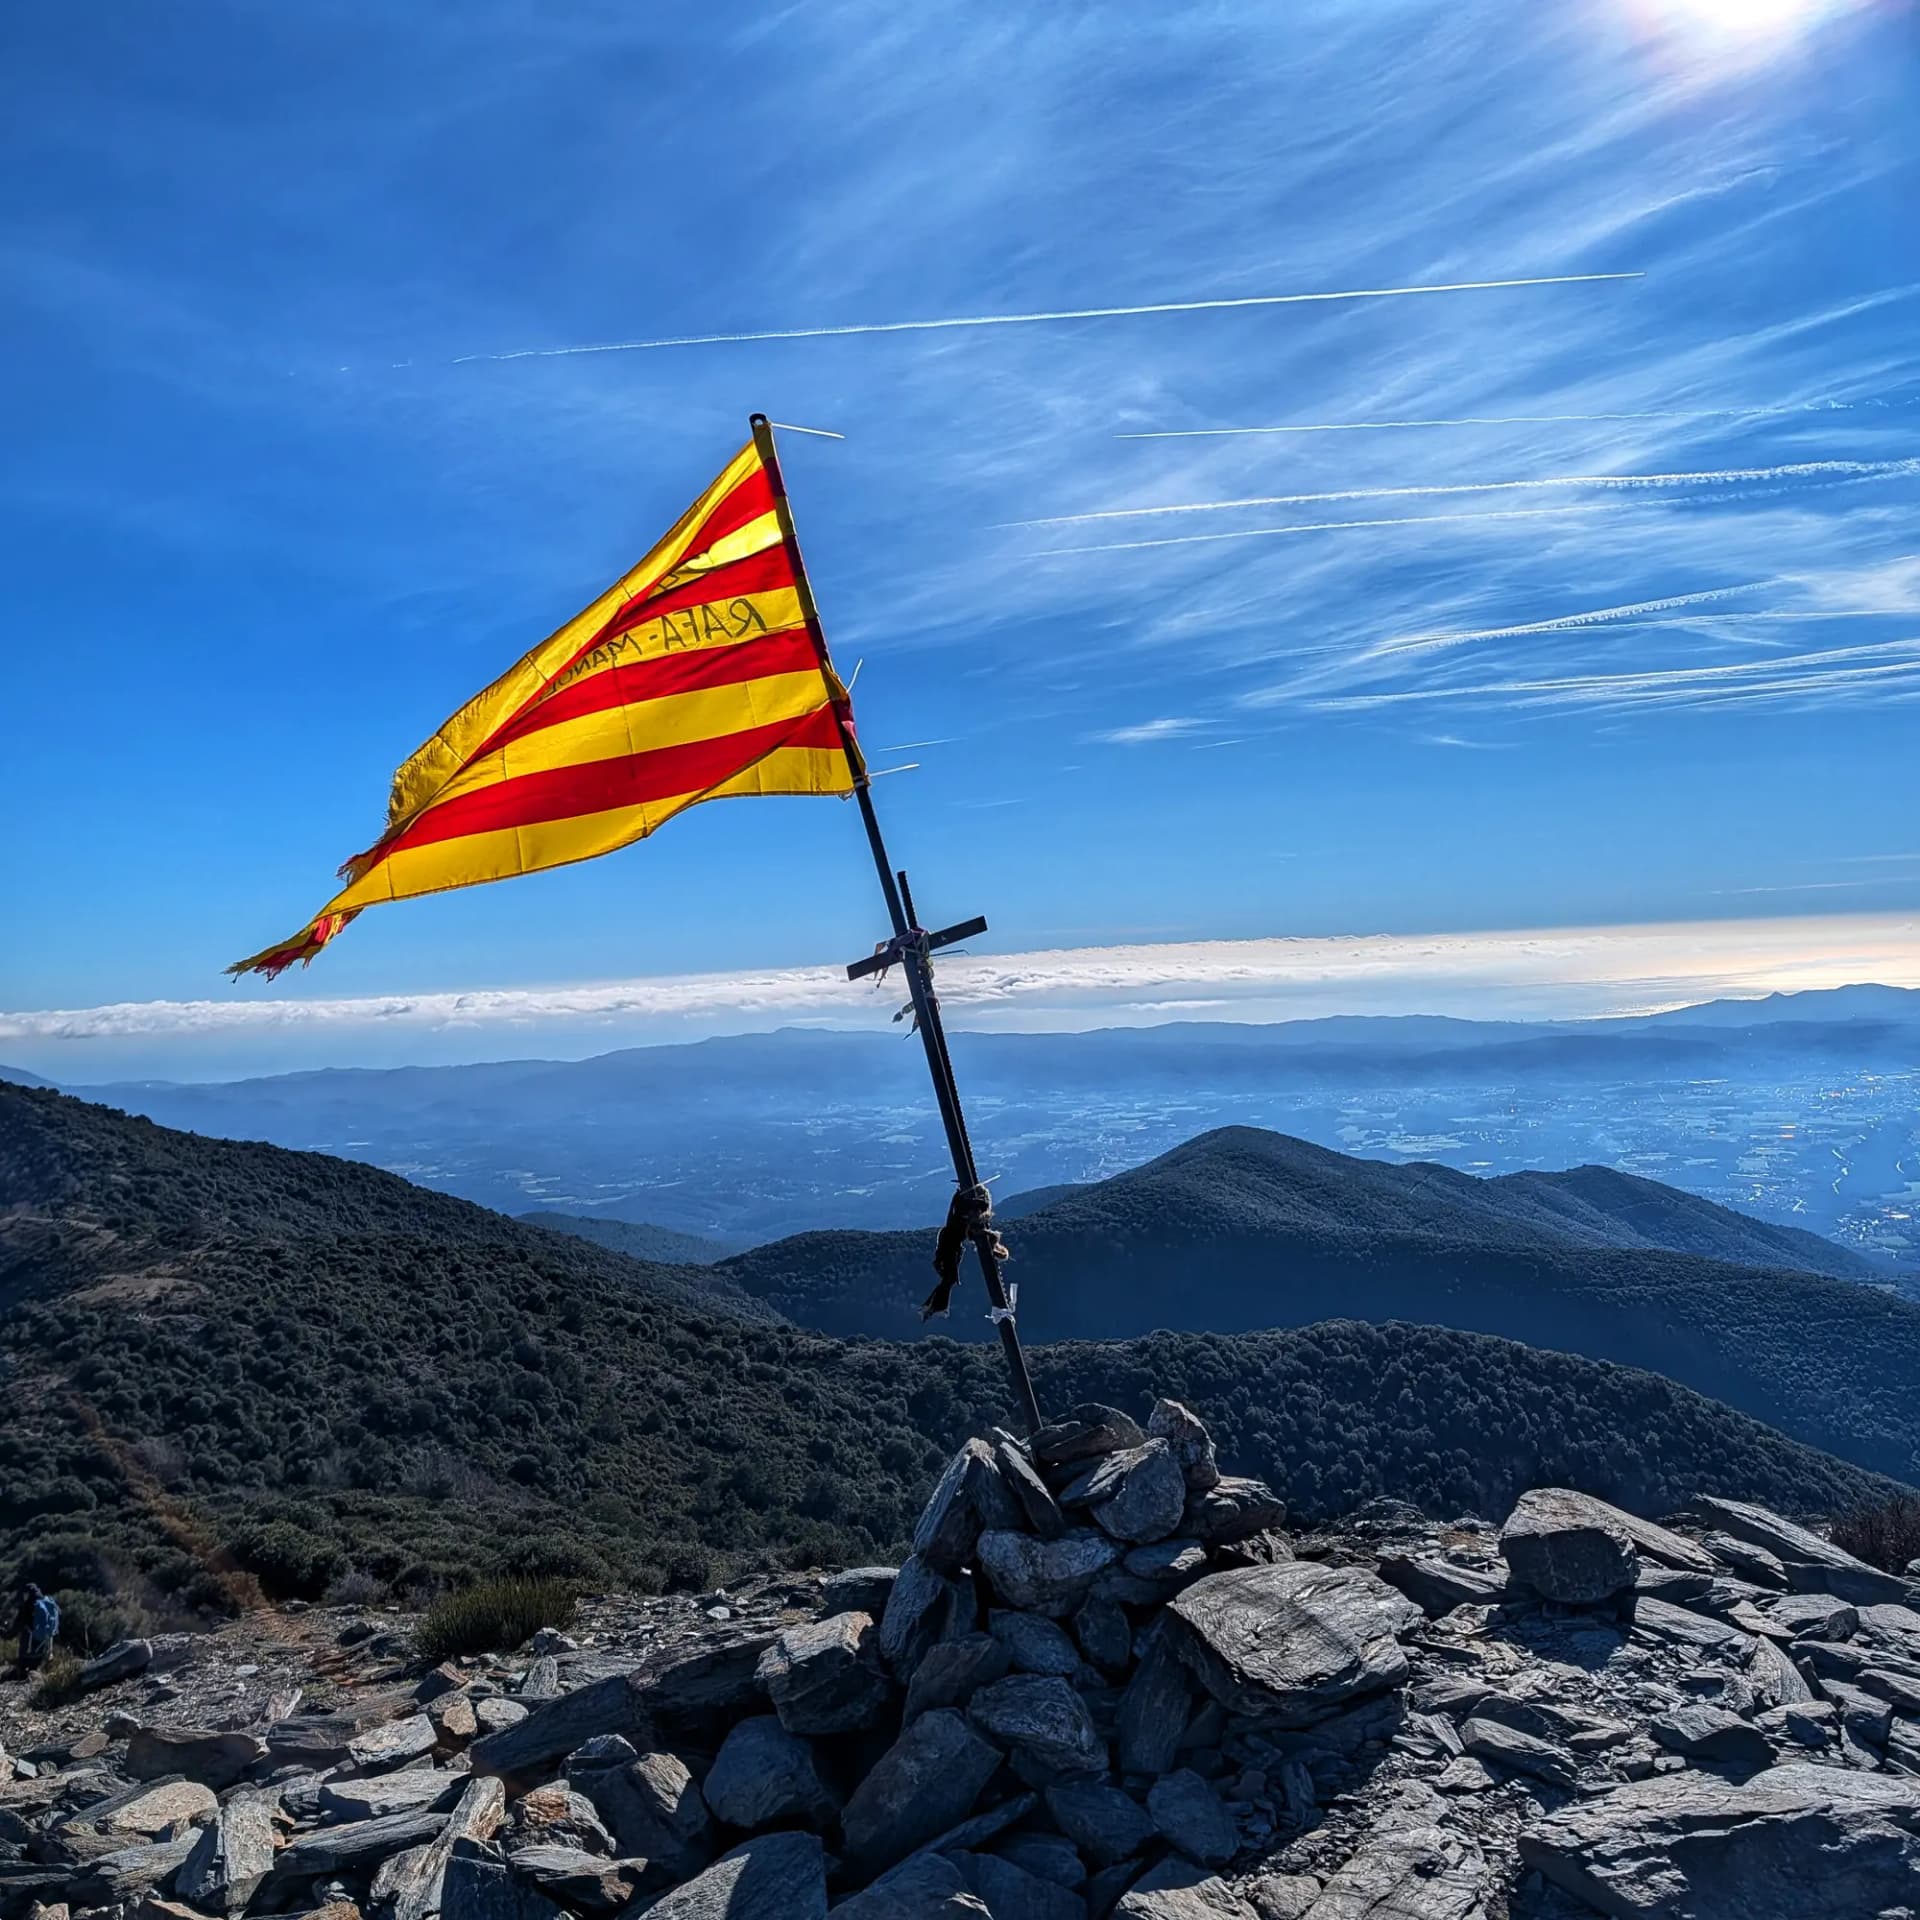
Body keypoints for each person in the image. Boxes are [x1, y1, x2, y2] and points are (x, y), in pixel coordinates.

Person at [11, 1583, 58, 1678]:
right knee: (35, 1666)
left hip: (28, 1652)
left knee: (22, 1668)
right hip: (43, 1649)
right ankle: (35, 1674)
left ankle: (23, 1675)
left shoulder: (27, 1607)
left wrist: (4, 1633)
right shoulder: (46, 1603)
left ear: (26, 1594)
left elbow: (15, 1628)